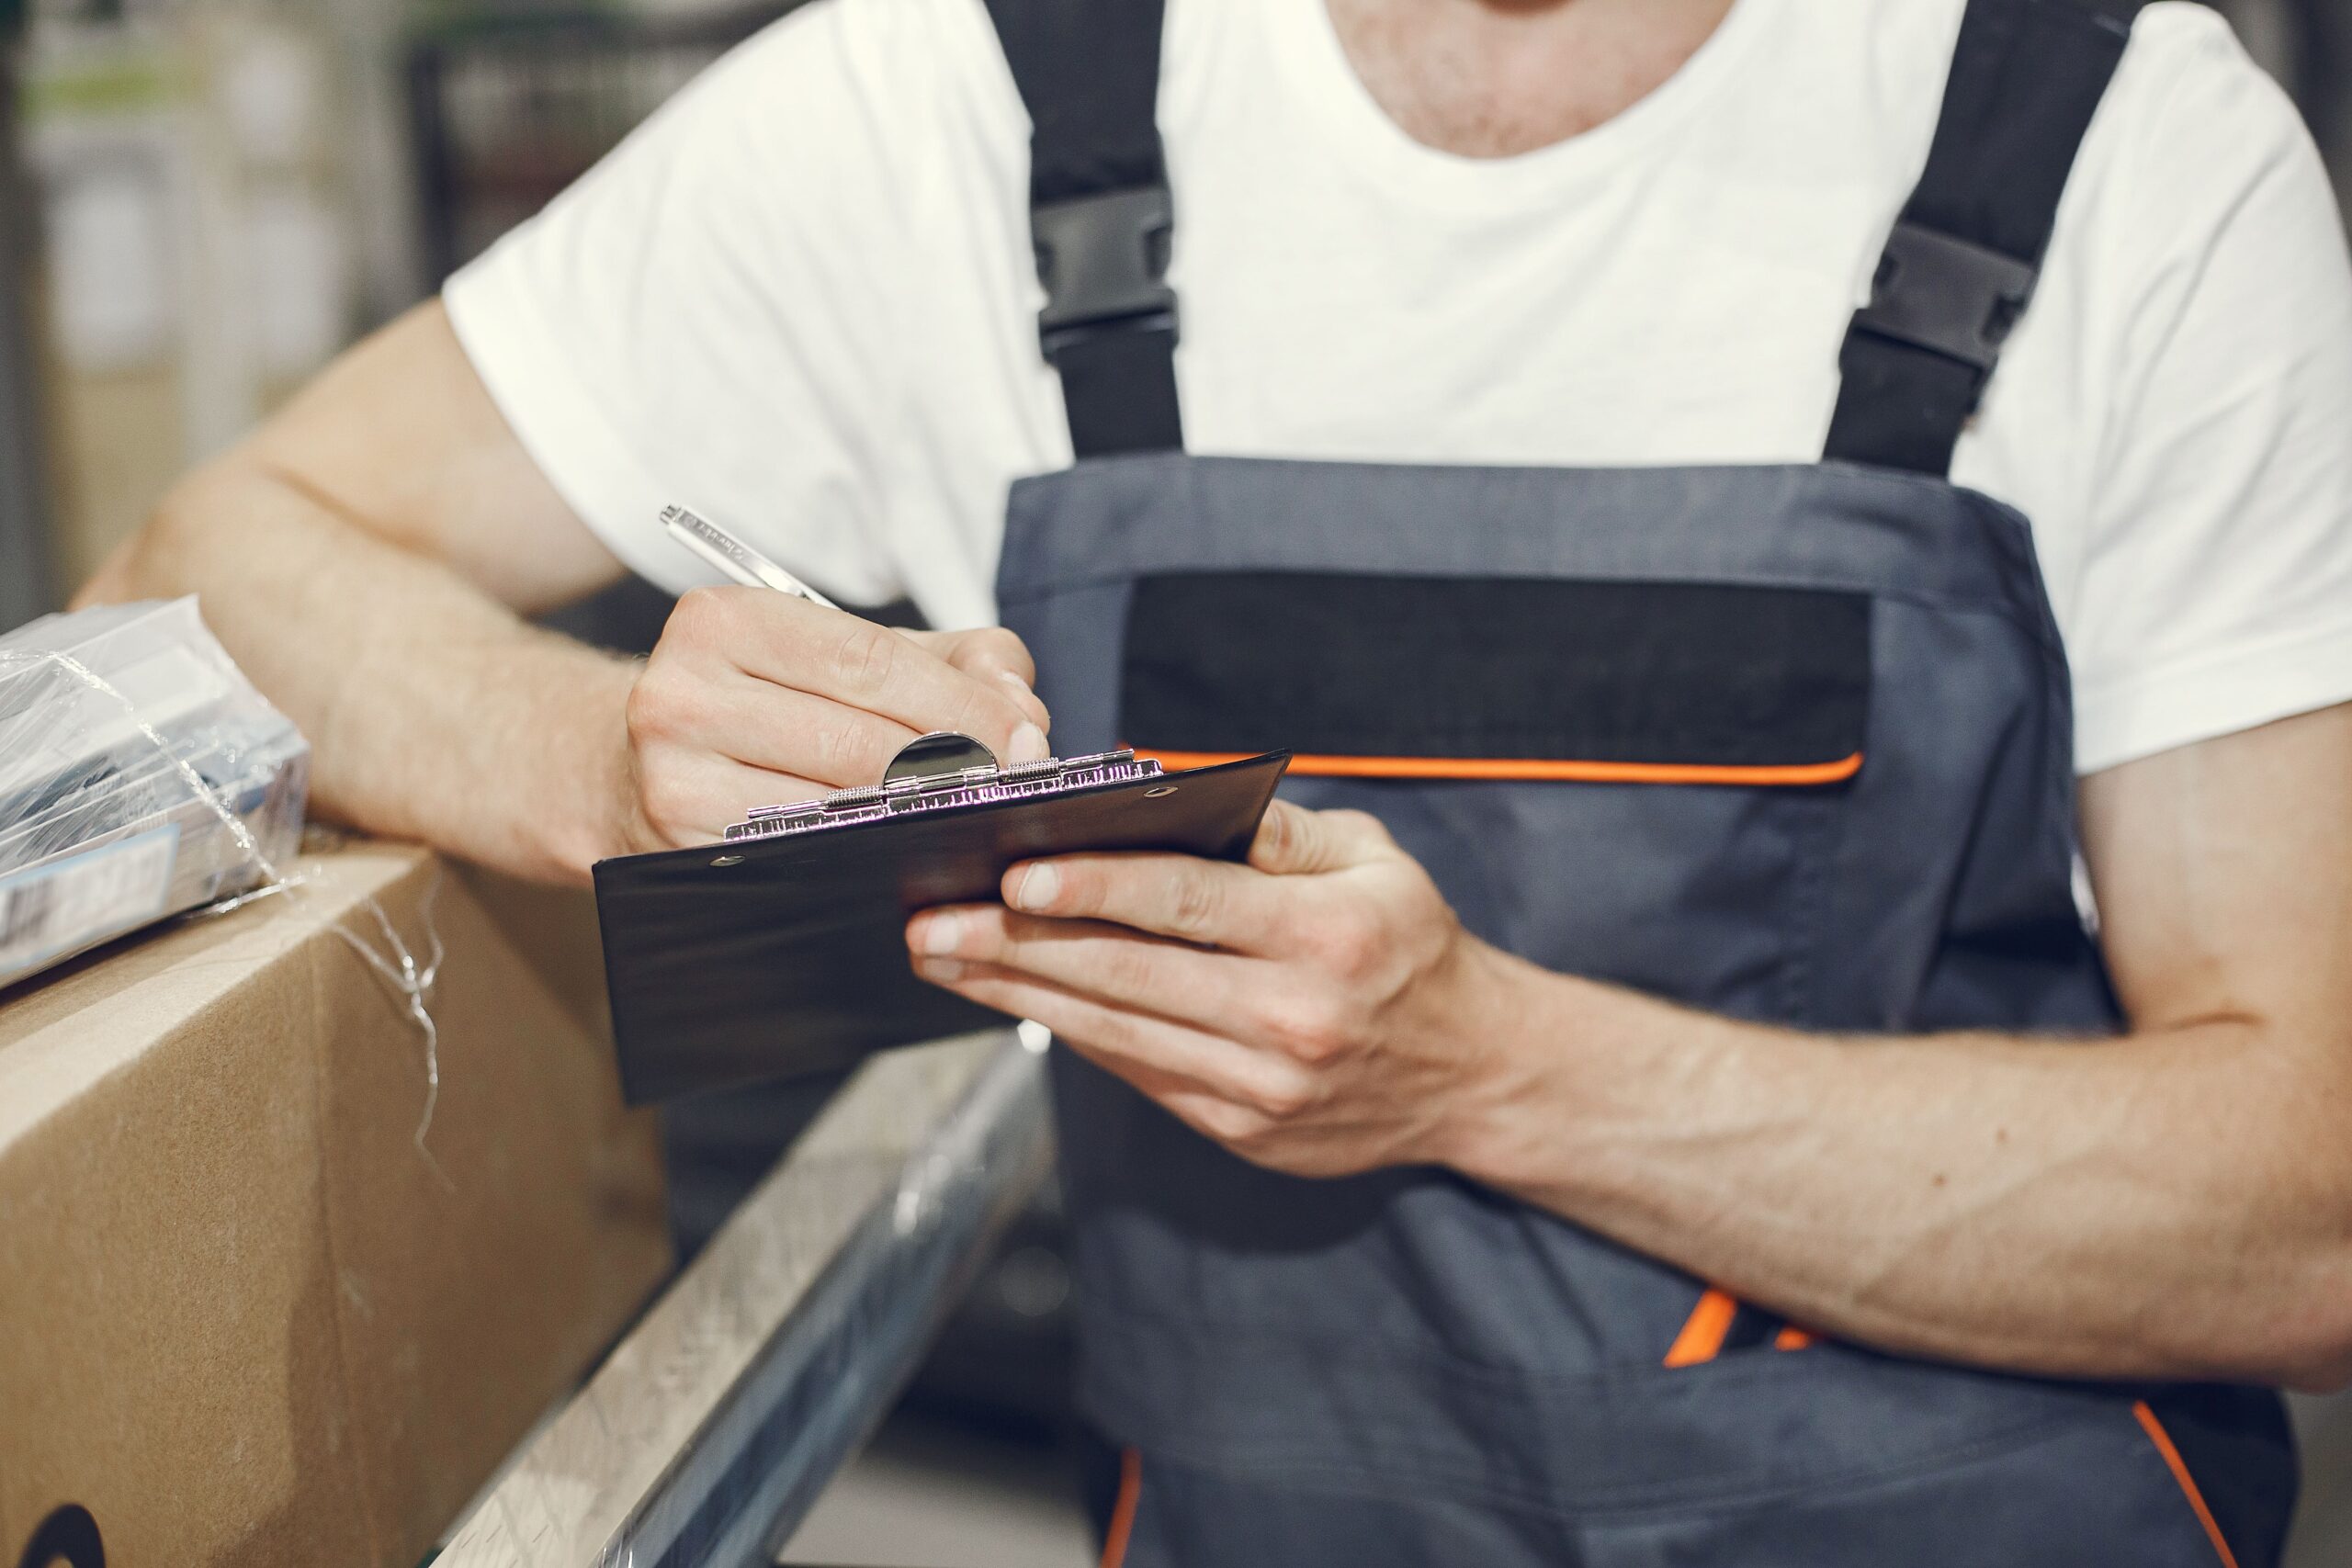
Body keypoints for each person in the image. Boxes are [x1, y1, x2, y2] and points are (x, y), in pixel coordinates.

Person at [83, 0, 2352, 1562]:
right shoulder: (966, 101)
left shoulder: (2120, 146)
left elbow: (2305, 1201)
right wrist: (598, 741)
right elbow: (205, 565)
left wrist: (1483, 1071)